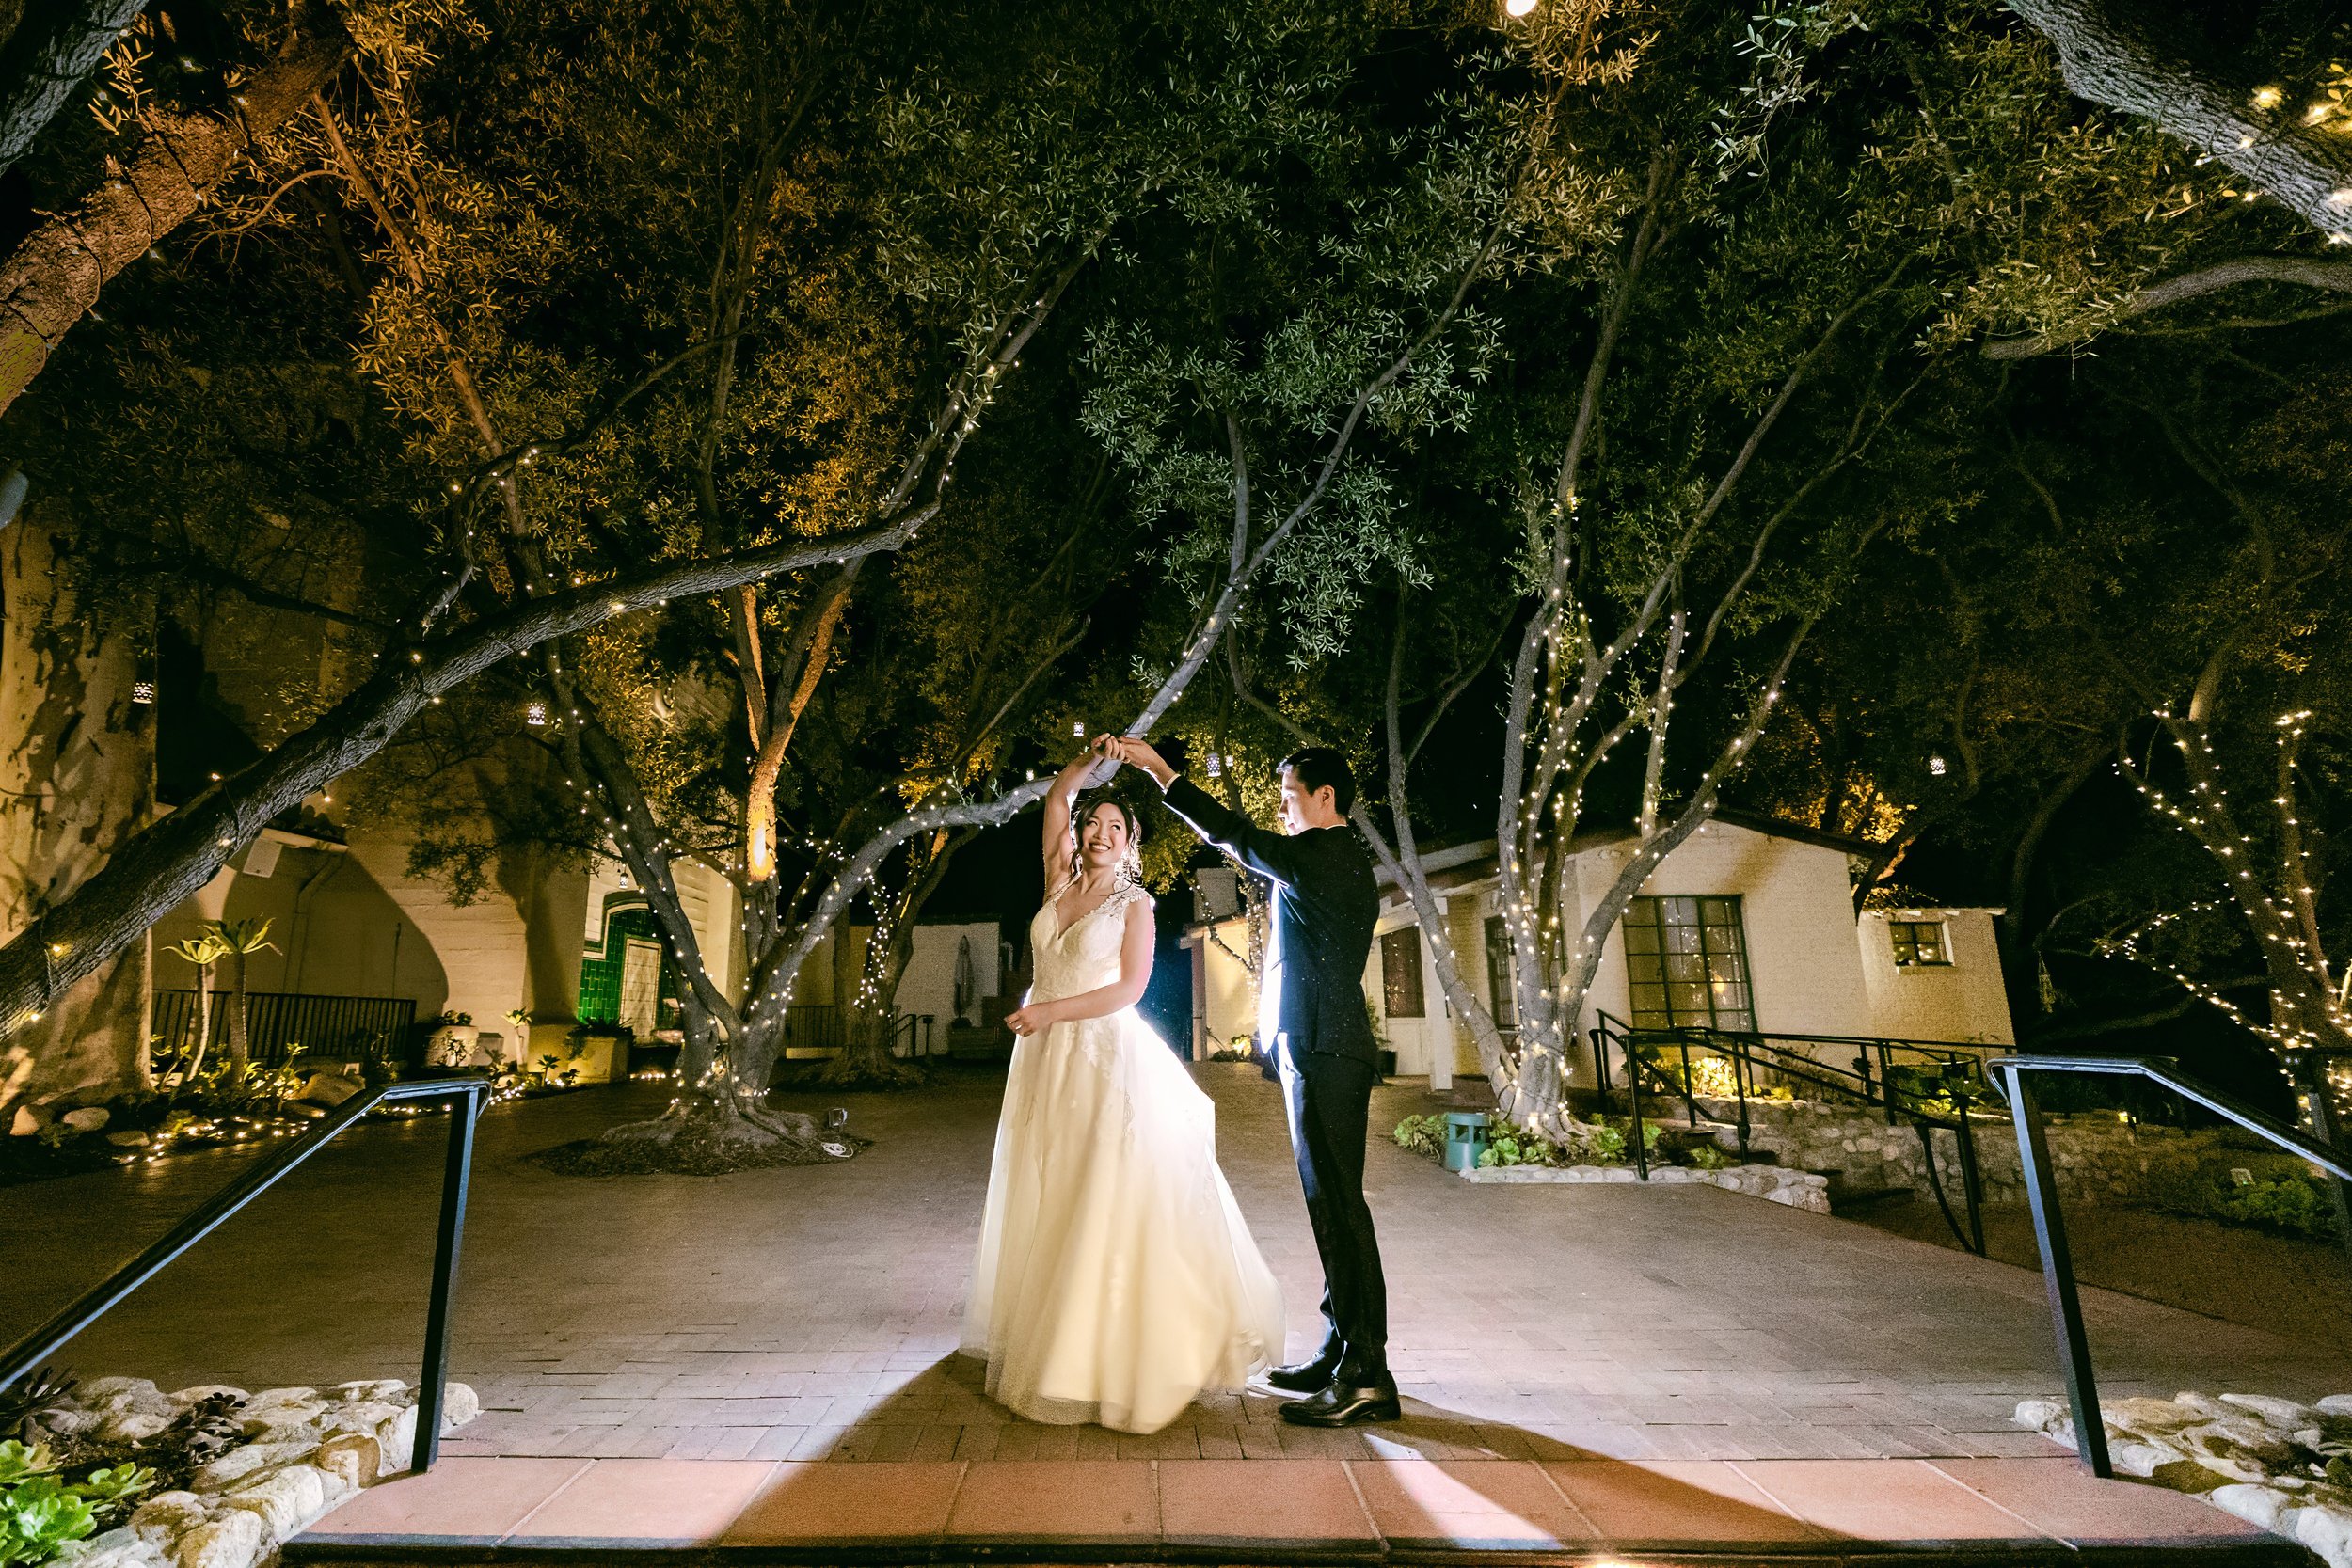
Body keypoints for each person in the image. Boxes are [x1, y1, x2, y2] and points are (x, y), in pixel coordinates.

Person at [961, 734, 1283, 1433]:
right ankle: (1051, 1338)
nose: (1100, 832)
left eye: (1116, 826)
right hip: (1045, 1061)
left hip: (1101, 1056)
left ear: (1131, 843)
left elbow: (1128, 991)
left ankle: (1103, 1358)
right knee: (1048, 1188)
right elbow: (1056, 793)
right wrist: (1102, 760)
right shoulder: (1059, 883)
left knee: (1096, 1194)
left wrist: (1047, 1010)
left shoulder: (1134, 903)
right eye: (1092, 822)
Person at [1114, 737, 1397, 1428]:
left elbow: (1235, 837)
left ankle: (1369, 1370)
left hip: (1330, 1049)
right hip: (1316, 1047)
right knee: (1326, 1202)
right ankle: (1340, 1348)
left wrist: (1159, 771)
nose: (1282, 806)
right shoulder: (1324, 859)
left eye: (1291, 794)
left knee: (1342, 1203)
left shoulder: (1325, 855)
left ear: (1325, 797)